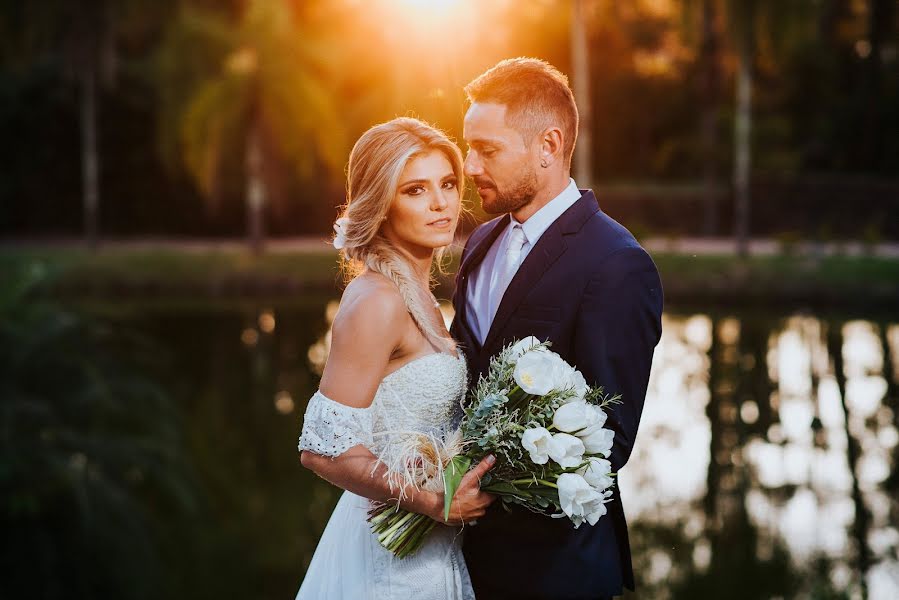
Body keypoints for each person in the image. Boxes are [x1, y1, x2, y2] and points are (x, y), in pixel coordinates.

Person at [450, 57, 664, 599]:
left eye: (488, 150)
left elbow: (605, 442)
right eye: (469, 146)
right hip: (457, 556)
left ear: (548, 146)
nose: (470, 166)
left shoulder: (616, 264)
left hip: (554, 572)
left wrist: (483, 478)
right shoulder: (480, 242)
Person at [296, 117, 494, 600]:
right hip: (391, 558)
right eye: (415, 190)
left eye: (447, 184)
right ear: (381, 204)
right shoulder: (379, 300)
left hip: (431, 549)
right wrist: (430, 502)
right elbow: (323, 449)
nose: (440, 203)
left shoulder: (420, 295)